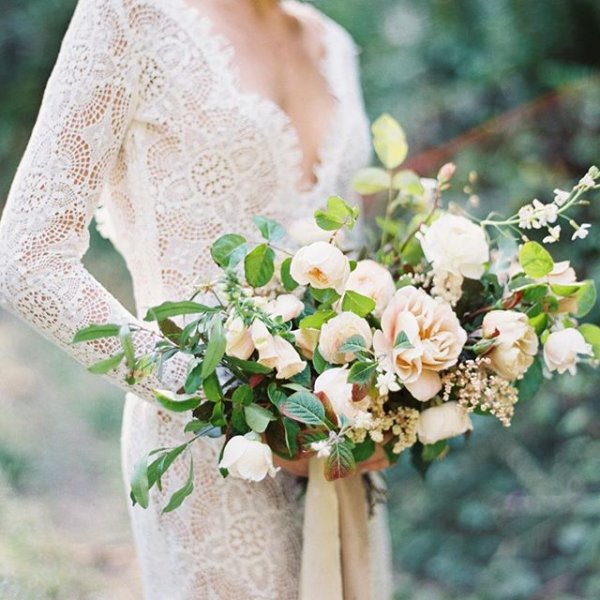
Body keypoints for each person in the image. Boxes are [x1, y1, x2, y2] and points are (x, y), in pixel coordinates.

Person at [0, 0, 393, 597]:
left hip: (335, 452)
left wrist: (395, 383)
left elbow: (351, 252)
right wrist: (224, 400)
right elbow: (27, 257)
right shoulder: (128, 16)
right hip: (201, 451)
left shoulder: (333, 43)